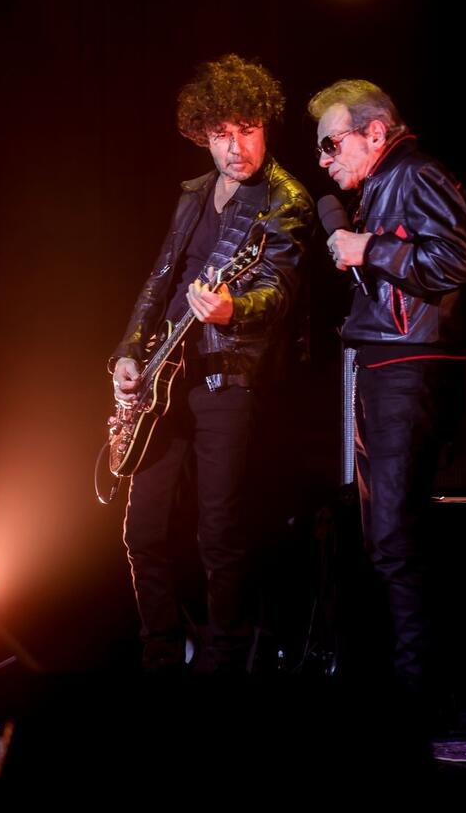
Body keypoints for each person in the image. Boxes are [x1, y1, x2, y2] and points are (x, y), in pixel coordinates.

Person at [109, 54, 314, 673]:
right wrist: (126, 352)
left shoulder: (285, 200)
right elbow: (161, 279)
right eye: (221, 133)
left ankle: (224, 665)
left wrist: (232, 311)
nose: (236, 146)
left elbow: (278, 291)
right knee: (141, 530)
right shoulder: (194, 194)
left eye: (246, 129)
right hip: (163, 378)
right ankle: (161, 657)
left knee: (218, 532)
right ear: (202, 133)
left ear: (265, 127)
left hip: (230, 379)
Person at [308, 79, 466, 712]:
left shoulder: (416, 173)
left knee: (397, 536)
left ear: (373, 132)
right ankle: (400, 685)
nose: (325, 160)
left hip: (410, 363)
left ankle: (417, 695)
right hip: (383, 359)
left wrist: (368, 247)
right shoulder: (385, 181)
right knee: (383, 538)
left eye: (332, 143)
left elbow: (455, 261)